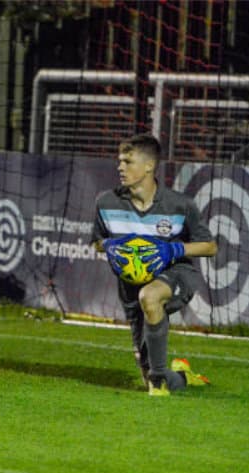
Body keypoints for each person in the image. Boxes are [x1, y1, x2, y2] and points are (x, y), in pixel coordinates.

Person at [91, 134, 217, 396]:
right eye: (119, 161)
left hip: (176, 274)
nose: (120, 167)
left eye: (127, 161)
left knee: (150, 296)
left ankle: (158, 382)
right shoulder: (106, 203)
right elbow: (97, 242)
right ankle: (179, 376)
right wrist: (110, 246)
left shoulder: (180, 205)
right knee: (145, 372)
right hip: (130, 286)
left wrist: (173, 249)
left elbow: (209, 246)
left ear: (149, 166)